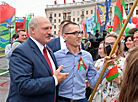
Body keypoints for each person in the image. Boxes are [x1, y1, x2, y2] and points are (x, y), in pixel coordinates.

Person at [6, 16, 69, 102]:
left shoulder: (48, 50)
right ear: (32, 30)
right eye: (45, 29)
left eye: (50, 28)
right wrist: (54, 80)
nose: (50, 32)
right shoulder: (21, 52)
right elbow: (23, 86)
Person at [54, 22, 114, 102]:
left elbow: (93, 82)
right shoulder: (56, 56)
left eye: (80, 33)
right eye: (75, 33)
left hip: (81, 99)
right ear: (64, 36)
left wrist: (104, 66)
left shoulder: (87, 56)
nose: (79, 36)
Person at [93, 34, 125, 102]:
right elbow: (94, 81)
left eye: (112, 43)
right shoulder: (99, 62)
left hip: (116, 97)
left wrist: (119, 81)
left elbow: (131, 84)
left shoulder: (125, 62)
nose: (110, 46)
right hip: (99, 97)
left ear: (118, 45)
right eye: (107, 44)